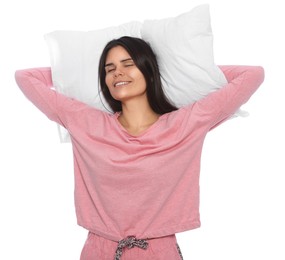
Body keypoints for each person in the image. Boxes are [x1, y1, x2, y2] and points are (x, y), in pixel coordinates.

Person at [15, 36, 264, 260]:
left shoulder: (185, 124)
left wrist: (179, 71)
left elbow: (253, 75)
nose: (117, 73)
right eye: (109, 69)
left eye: (128, 64)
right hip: (98, 250)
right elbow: (25, 77)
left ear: (149, 70)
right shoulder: (85, 122)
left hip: (158, 252)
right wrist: (71, 72)